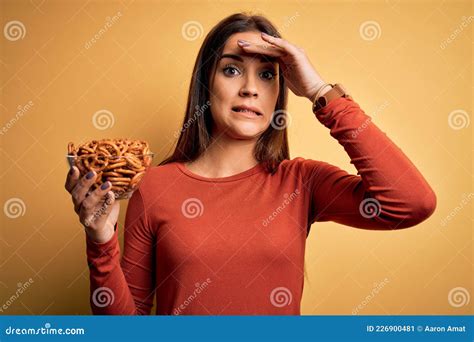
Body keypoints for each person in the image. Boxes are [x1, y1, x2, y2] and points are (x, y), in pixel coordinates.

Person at [64, 13, 436, 315]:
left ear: (280, 90)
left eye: (267, 73)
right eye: (231, 70)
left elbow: (411, 203)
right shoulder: (155, 186)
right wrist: (101, 241)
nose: (250, 88)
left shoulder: (301, 182)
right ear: (205, 83)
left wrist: (320, 92)